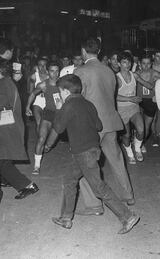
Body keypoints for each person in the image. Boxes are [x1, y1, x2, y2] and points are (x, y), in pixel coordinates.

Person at [47, 74, 139, 234]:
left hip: (84, 153)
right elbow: (98, 125)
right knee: (69, 180)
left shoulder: (67, 106)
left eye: (61, 91)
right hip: (90, 150)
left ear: (66, 92)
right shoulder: (88, 104)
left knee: (99, 188)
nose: (60, 94)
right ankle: (66, 218)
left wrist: (47, 145)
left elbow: (57, 129)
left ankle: (127, 216)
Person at [74, 37, 135, 215]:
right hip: (110, 122)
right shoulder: (109, 71)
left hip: (92, 124)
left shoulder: (81, 71)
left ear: (83, 51)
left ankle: (93, 205)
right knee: (116, 160)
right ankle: (128, 195)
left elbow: (78, 100)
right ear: (99, 51)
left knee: (85, 162)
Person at [0, 60, 39, 202]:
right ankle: (8, 181)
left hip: (5, 127)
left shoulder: (5, 83)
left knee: (2, 161)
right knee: (3, 160)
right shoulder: (5, 82)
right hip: (5, 126)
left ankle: (28, 185)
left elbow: (9, 105)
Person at [26, 61, 62, 174]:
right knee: (41, 138)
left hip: (60, 116)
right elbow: (32, 94)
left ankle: (47, 146)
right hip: (48, 113)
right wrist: (27, 107)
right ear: (47, 71)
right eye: (52, 71)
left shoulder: (64, 83)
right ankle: (36, 166)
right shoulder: (43, 84)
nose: (54, 74)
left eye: (57, 71)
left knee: (49, 145)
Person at [116, 51, 153, 163]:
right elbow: (113, 96)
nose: (127, 65)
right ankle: (129, 153)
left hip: (134, 108)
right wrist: (130, 98)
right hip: (122, 110)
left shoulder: (134, 75)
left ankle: (137, 149)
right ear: (119, 64)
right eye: (124, 62)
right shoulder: (116, 78)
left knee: (141, 130)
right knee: (126, 135)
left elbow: (148, 85)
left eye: (129, 63)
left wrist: (155, 84)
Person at [136, 54, 160, 155]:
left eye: (148, 64)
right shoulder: (135, 74)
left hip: (150, 102)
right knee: (138, 126)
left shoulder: (156, 74)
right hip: (138, 101)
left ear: (151, 64)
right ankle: (138, 144)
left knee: (146, 127)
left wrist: (157, 97)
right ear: (139, 64)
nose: (146, 66)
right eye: (143, 63)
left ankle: (141, 143)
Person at [28, 57, 49, 130]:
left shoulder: (51, 74)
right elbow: (31, 92)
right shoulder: (34, 76)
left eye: (44, 65)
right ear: (37, 66)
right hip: (37, 101)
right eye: (40, 65)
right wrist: (29, 105)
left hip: (48, 102)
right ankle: (39, 140)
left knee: (47, 125)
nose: (42, 67)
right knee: (39, 123)